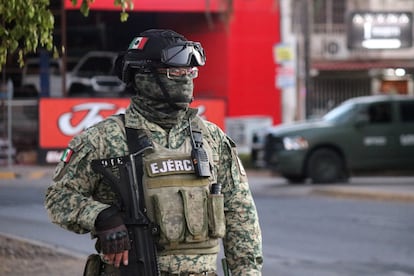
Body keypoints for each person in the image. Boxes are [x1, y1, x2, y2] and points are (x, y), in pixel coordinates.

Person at [45, 29, 263, 276]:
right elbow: (58, 198)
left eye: (190, 72)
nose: (185, 79)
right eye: (174, 72)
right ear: (142, 76)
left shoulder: (212, 138)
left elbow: (240, 213)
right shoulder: (102, 139)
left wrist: (247, 272)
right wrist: (101, 216)